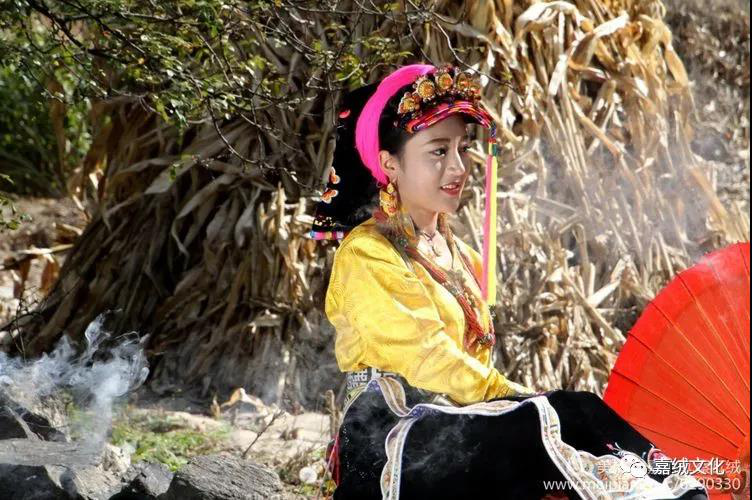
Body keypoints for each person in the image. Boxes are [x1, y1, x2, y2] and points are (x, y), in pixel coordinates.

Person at [309, 64, 709, 500]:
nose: (457, 167)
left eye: (462, 149)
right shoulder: (367, 253)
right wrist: (513, 395)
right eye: (438, 152)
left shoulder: (462, 255)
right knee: (556, 417)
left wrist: (512, 400)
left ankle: (678, 492)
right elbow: (425, 358)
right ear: (391, 164)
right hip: (396, 436)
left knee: (576, 414)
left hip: (461, 425)